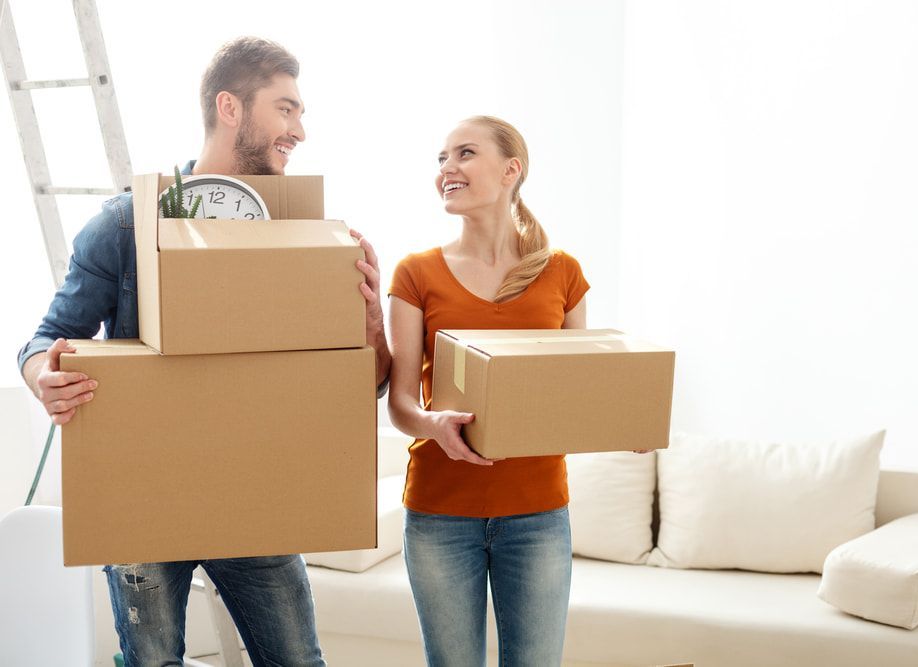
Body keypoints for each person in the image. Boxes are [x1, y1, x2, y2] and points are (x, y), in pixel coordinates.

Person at [17, 36, 390, 666]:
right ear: (230, 107)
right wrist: (40, 377)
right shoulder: (125, 225)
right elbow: (45, 338)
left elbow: (365, 385)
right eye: (286, 109)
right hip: (143, 500)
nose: (300, 129)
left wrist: (372, 324)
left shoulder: (304, 236)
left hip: (256, 499)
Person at [387, 115, 588, 666]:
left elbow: (578, 390)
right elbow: (401, 401)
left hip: (539, 512)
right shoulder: (416, 274)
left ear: (510, 170)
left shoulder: (562, 272)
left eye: (465, 154)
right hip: (439, 513)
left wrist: (620, 423)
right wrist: (433, 425)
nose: (447, 169)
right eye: (441, 159)